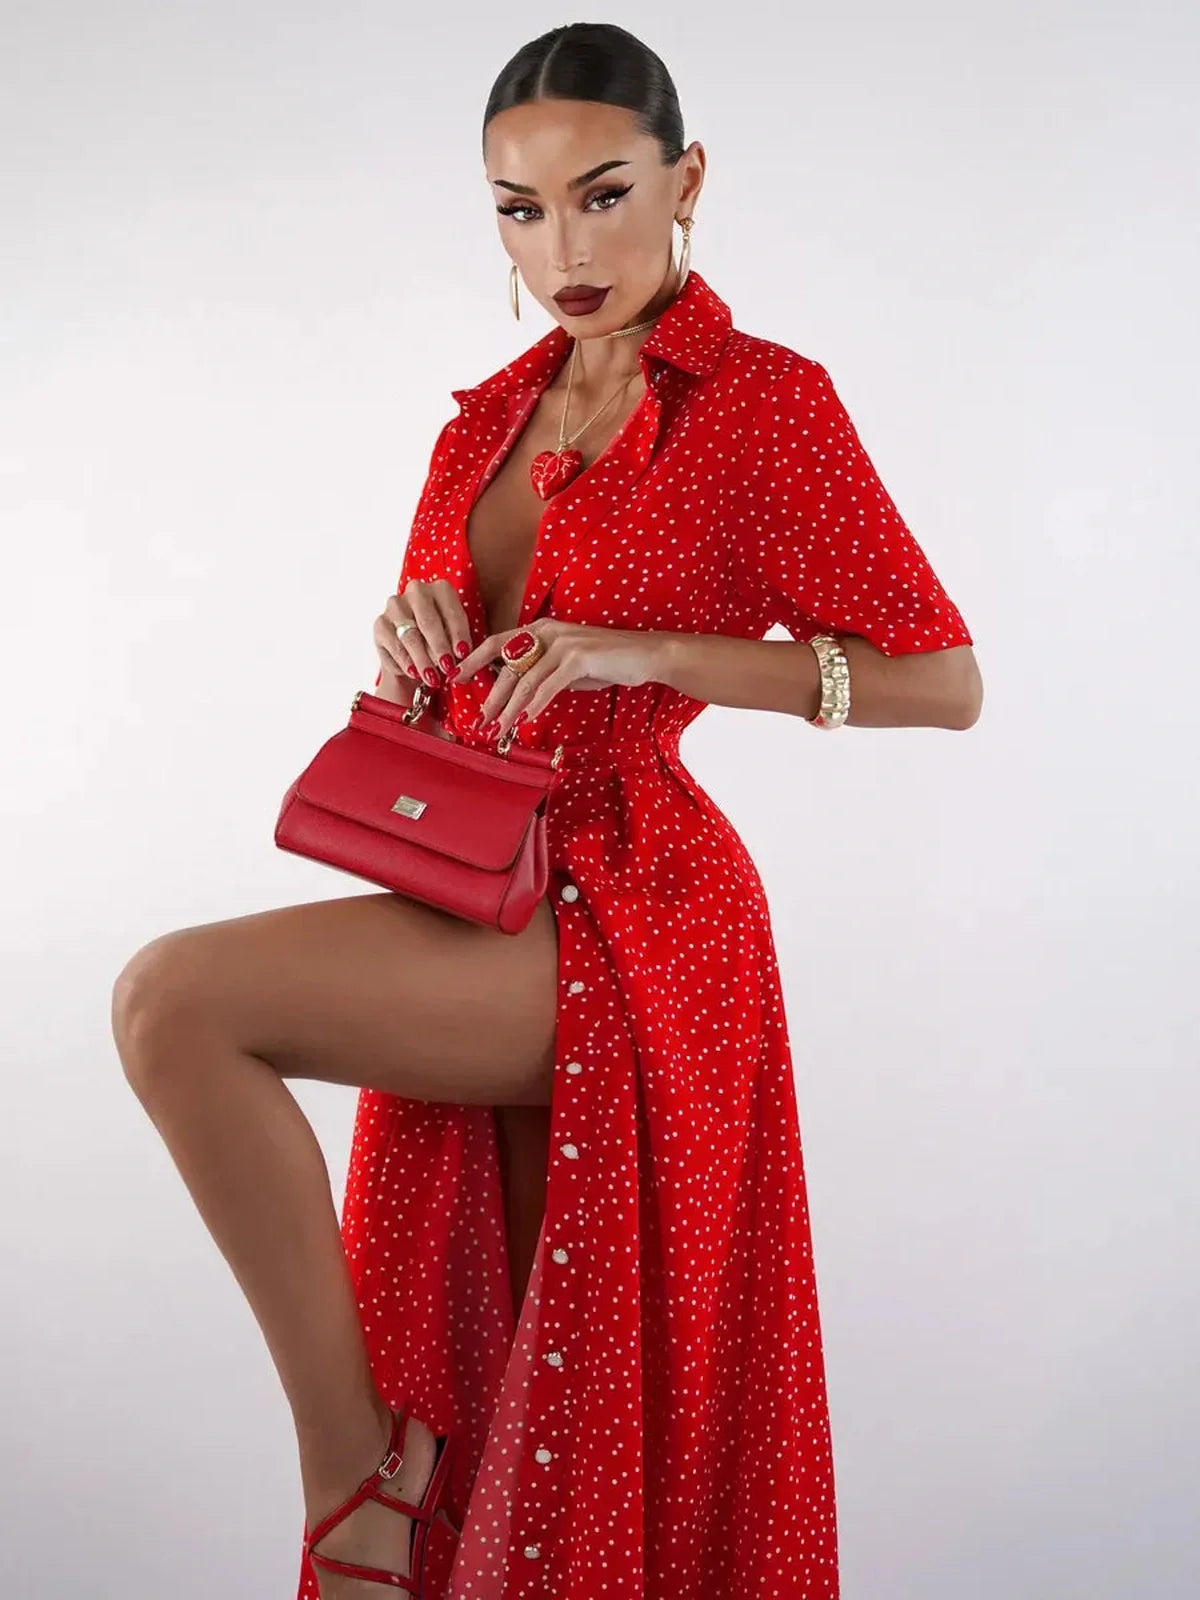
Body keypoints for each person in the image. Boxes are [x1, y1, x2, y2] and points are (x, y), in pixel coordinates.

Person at [112, 20, 982, 1600]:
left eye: (603, 194)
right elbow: (448, 680)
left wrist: (655, 651)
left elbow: (946, 681)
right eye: (519, 209)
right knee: (534, 1359)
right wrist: (409, 628)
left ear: (686, 179)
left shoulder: (767, 407)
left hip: (639, 911)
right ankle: (389, 1472)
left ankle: (365, 1476)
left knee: (178, 998)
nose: (563, 247)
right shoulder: (480, 419)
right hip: (475, 883)